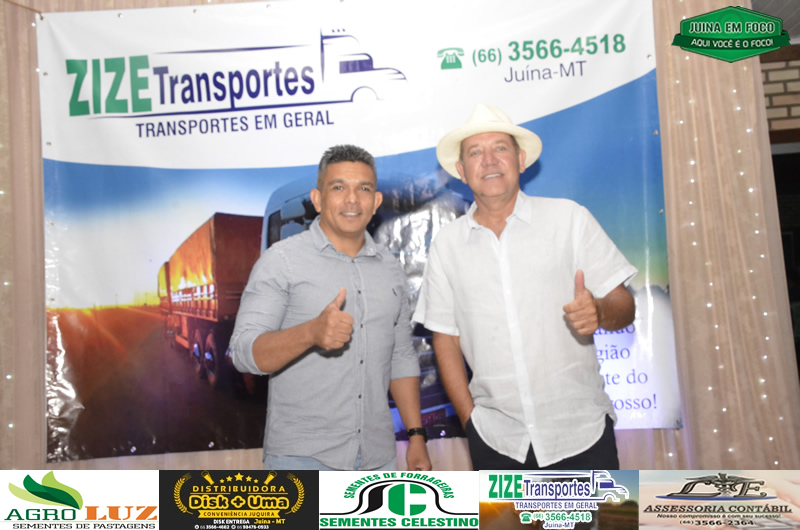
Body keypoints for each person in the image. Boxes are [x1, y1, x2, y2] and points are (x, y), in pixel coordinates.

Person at [413, 104, 637, 470]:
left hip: (582, 433)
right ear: (462, 171)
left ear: (520, 160)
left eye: (500, 148)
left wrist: (599, 310)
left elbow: (624, 305)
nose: (489, 160)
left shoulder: (569, 219)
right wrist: (471, 423)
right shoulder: (446, 245)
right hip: (496, 443)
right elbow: (446, 339)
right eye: (475, 152)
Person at [231, 144, 431, 472]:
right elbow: (243, 353)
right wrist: (310, 333)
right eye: (338, 188)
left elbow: (400, 356)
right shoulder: (281, 261)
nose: (352, 200)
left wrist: (416, 436)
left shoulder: (390, 268)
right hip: (301, 461)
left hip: (377, 459)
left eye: (363, 189)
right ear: (317, 199)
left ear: (376, 201)